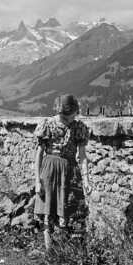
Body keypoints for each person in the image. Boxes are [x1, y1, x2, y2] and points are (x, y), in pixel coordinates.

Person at [34, 94, 90, 249]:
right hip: (49, 173)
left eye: (71, 118)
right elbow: (38, 154)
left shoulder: (79, 127)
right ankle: (49, 254)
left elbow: (83, 156)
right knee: (48, 212)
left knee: (69, 210)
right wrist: (37, 181)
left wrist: (86, 180)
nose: (68, 121)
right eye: (65, 119)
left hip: (70, 172)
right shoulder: (47, 125)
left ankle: (66, 254)